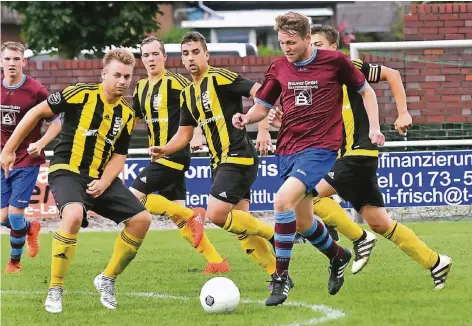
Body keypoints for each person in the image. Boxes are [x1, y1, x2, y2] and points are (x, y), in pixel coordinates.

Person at [233, 12, 384, 306]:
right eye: (281, 42)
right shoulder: (279, 66)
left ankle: (280, 279)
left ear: (306, 38)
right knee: (303, 222)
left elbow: (366, 91)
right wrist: (246, 117)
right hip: (288, 148)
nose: (286, 48)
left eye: (291, 42)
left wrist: (375, 128)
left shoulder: (335, 61)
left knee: (281, 201)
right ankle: (338, 255)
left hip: (321, 148)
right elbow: (261, 107)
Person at [1, 49, 153, 313]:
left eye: (127, 76)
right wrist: (9, 149)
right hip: (66, 170)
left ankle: (107, 279)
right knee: (72, 215)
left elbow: (119, 156)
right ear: (104, 73)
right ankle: (55, 289)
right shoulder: (79, 93)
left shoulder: (127, 113)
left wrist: (105, 182)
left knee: (142, 220)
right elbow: (35, 113)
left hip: (99, 176)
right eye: (117, 75)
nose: (122, 81)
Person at [306, 24, 451, 289]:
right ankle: (435, 262)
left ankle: (359, 238)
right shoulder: (315, 82)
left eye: (319, 45)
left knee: (304, 197)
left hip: (359, 154)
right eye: (311, 46)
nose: (314, 50)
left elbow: (393, 74)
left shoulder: (349, 66)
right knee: (380, 222)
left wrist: (403, 112)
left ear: (334, 48)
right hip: (347, 157)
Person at [149, 32, 293, 286]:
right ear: (180, 59)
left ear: (206, 54)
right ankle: (278, 275)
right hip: (219, 162)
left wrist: (261, 128)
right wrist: (165, 149)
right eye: (185, 53)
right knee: (242, 229)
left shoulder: (220, 77)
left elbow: (262, 92)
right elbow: (184, 134)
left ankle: (276, 235)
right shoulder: (187, 94)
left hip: (238, 155)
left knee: (216, 214)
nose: (190, 58)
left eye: (195, 52)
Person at [129, 36, 230, 274]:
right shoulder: (141, 88)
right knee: (180, 219)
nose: (151, 59)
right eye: (146, 55)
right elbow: (131, 120)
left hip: (174, 154)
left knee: (133, 197)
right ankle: (216, 261)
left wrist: (196, 136)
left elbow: (195, 105)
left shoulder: (175, 82)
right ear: (141, 59)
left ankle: (190, 215)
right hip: (157, 156)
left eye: (155, 54)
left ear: (165, 56)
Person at [1, 41, 62, 273]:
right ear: (1, 62)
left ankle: (14, 263)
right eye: (7, 59)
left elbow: (56, 124)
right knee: (3, 217)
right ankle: (30, 229)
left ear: (24, 62)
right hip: (2, 160)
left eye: (16, 59)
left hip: (27, 159)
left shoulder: (36, 90)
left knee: (15, 215)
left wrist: (41, 142)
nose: (12, 63)